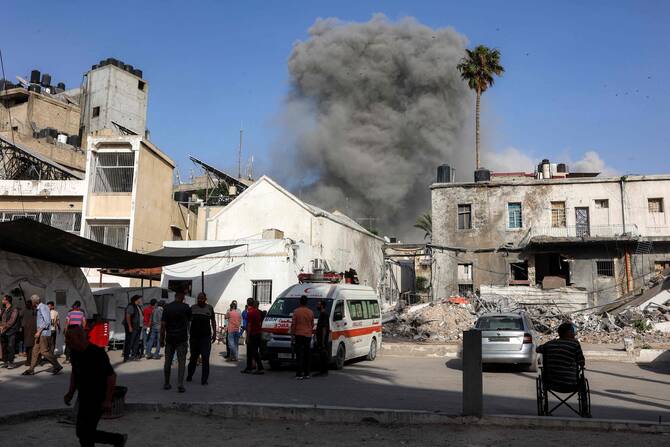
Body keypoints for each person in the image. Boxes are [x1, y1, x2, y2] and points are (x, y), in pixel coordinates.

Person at [64, 324, 127, 447]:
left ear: (80, 337)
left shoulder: (97, 353)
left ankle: (118, 439)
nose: (66, 341)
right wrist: (70, 393)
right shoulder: (74, 352)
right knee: (83, 432)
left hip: (97, 398)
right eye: (66, 337)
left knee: (85, 432)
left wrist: (108, 400)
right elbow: (75, 373)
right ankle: (118, 439)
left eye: (69, 338)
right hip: (84, 397)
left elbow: (111, 377)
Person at [536, 322, 586, 391]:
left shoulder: (550, 344)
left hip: (551, 383)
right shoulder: (574, 344)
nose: (574, 334)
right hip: (570, 383)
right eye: (572, 331)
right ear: (567, 333)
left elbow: (537, 349)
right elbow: (582, 362)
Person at [22, 295, 63, 375]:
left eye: (32, 301)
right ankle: (31, 369)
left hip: (43, 334)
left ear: (34, 302)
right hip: (40, 333)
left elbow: (47, 322)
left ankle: (57, 365)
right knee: (35, 351)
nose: (31, 303)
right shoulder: (39, 308)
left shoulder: (42, 307)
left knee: (44, 352)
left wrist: (39, 332)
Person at [161, 291, 192, 392]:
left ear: (175, 296)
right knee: (182, 361)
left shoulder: (167, 307)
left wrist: (161, 338)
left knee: (168, 361)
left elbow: (163, 324)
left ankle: (166, 383)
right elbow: (189, 322)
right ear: (183, 297)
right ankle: (180, 384)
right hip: (182, 338)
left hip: (170, 338)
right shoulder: (186, 307)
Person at [187, 293, 216, 385]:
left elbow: (213, 320)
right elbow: (188, 321)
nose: (200, 300)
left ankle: (204, 380)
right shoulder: (193, 308)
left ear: (205, 299)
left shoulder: (210, 308)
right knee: (193, 358)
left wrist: (215, 333)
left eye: (202, 298)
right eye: (198, 298)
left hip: (205, 338)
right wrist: (188, 332)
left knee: (205, 358)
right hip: (194, 337)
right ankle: (189, 375)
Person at [291, 295, 315, 380]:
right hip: (308, 335)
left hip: (299, 335)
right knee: (307, 354)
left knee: (299, 354)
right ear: (306, 302)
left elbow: (293, 324)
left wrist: (292, 335)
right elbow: (312, 324)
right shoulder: (311, 312)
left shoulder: (296, 311)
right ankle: (307, 373)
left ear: (300, 302)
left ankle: (299, 374)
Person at [241, 298, 264, 375]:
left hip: (253, 334)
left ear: (247, 304)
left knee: (252, 352)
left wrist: (247, 337)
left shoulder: (250, 312)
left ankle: (257, 368)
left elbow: (249, 325)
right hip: (258, 333)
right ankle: (251, 367)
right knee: (254, 351)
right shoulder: (257, 312)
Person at [0, 295, 20, 369]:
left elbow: (12, 321)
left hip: (11, 331)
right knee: (4, 347)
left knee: (10, 346)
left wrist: (4, 327)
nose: (2, 300)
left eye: (3, 299)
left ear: (7, 301)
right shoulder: (4, 309)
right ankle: (5, 361)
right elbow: (2, 319)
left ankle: (11, 363)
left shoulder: (14, 309)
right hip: (3, 331)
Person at [122, 295, 142, 362]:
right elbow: (128, 316)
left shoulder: (138, 306)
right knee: (129, 342)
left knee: (136, 342)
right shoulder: (131, 306)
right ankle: (126, 357)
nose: (141, 300)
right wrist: (130, 326)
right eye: (140, 299)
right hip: (132, 326)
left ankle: (134, 355)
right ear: (136, 299)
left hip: (137, 327)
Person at [314, 299, 330, 377]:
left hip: (323, 339)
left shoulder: (324, 314)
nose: (317, 306)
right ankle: (322, 371)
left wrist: (323, 341)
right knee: (321, 355)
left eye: (319, 304)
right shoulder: (321, 314)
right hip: (320, 338)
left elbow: (324, 328)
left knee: (323, 355)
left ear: (322, 306)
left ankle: (324, 371)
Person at [21, 300, 36, 367]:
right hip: (31, 330)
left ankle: (29, 361)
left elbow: (20, 316)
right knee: (31, 347)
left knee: (29, 347)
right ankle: (29, 361)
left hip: (28, 330)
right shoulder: (34, 311)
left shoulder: (27, 311)